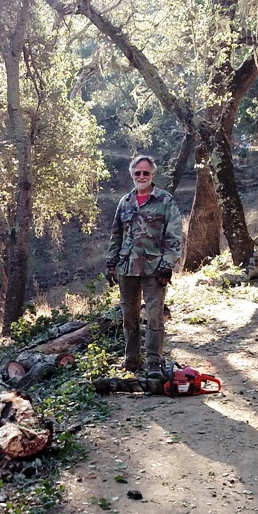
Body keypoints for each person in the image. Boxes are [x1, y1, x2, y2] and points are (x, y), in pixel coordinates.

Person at [106, 155, 183, 378]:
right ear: (132, 174)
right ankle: (132, 361)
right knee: (129, 317)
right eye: (138, 173)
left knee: (154, 316)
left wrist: (168, 265)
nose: (141, 176)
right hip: (126, 268)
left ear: (153, 175)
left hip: (154, 270)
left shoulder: (165, 201)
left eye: (146, 173)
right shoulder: (125, 202)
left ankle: (153, 364)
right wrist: (111, 262)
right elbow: (116, 234)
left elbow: (174, 236)